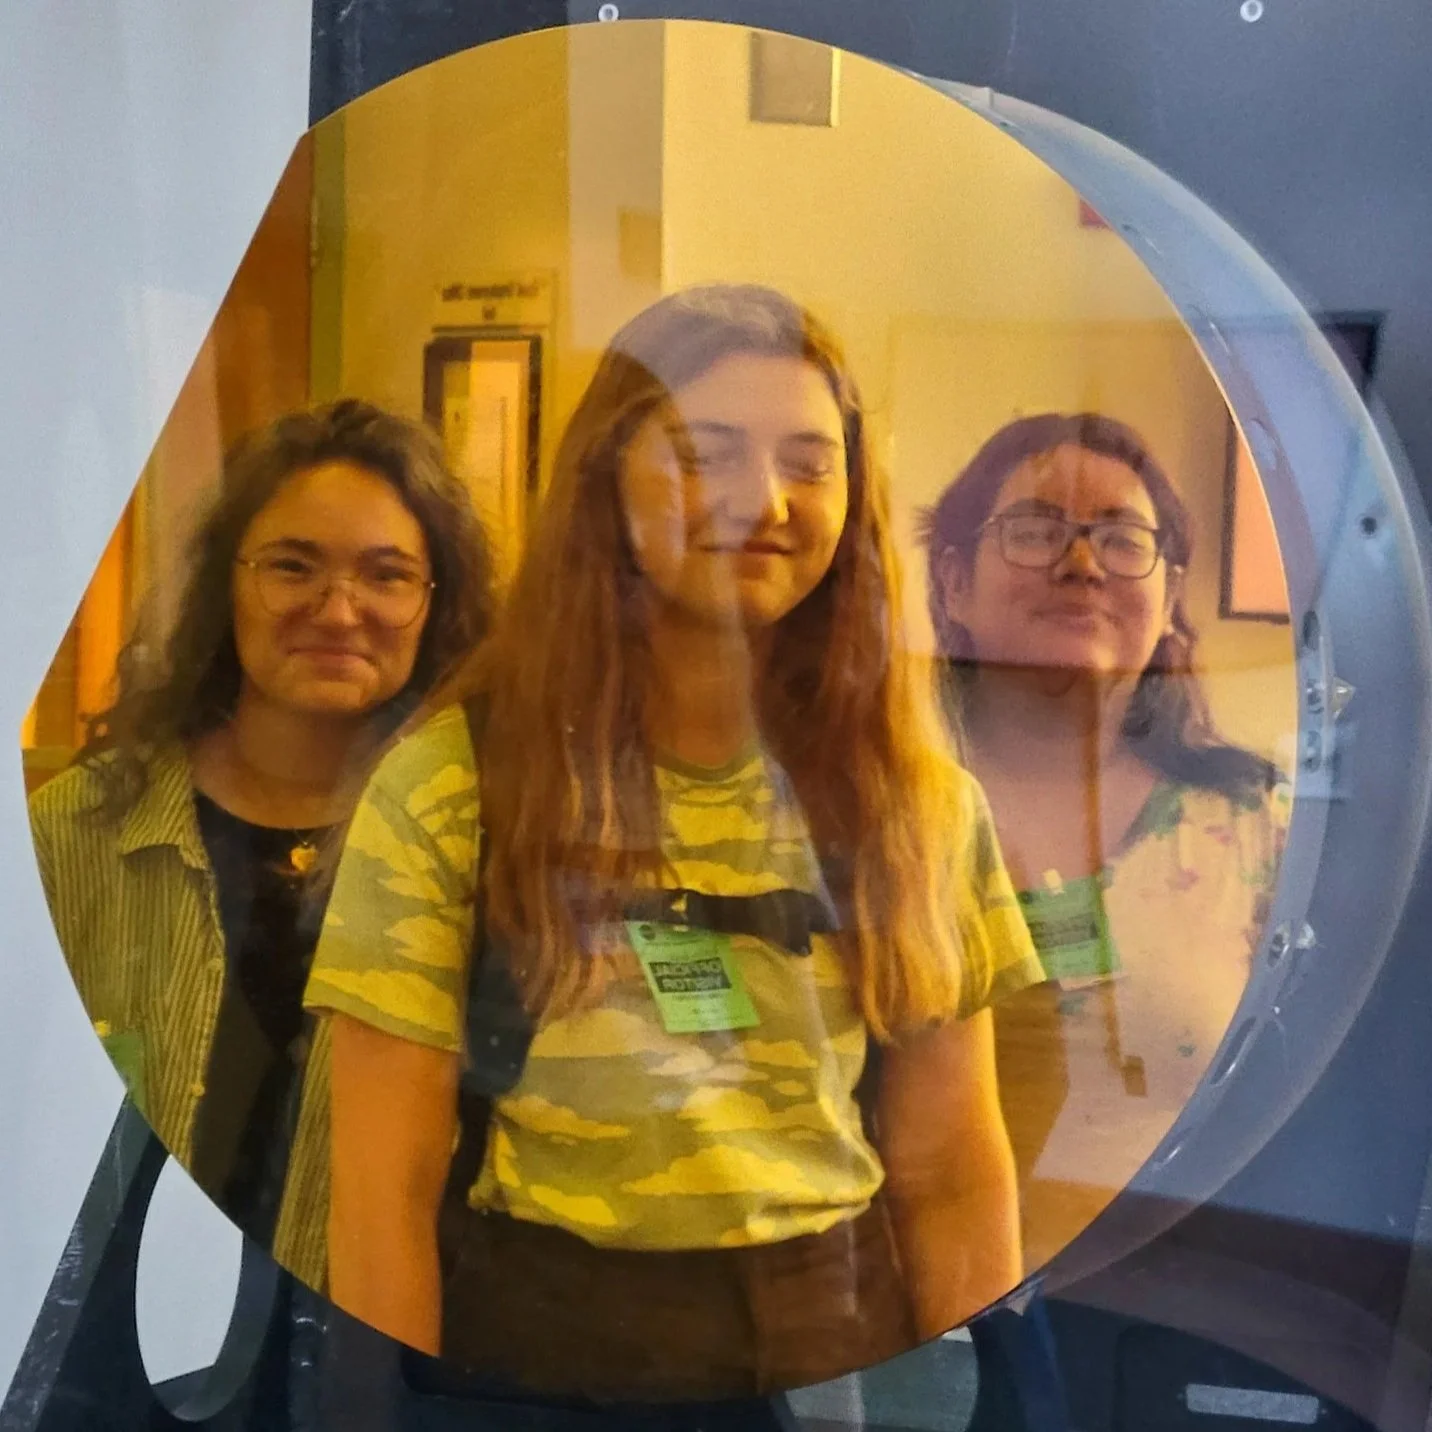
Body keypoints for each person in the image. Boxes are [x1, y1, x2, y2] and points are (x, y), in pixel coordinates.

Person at [305, 285, 1044, 1401]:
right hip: (542, 1351)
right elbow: (380, 1192)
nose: (766, 501)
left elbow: (951, 1174)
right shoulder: (454, 783)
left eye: (809, 461)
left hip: (832, 1352)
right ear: (608, 479)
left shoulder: (915, 801)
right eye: (708, 453)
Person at [28, 399, 492, 1292]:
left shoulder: (484, 847)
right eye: (292, 566)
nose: (339, 610)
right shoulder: (79, 831)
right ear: (225, 585)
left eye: (388, 575)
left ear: (437, 606)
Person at [920, 411, 1288, 1271]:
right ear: (953, 582)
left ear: (1169, 596)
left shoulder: (1253, 826)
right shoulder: (872, 818)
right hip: (926, 1313)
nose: (1082, 563)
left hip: (1175, 1305)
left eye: (1124, 540)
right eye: (1035, 529)